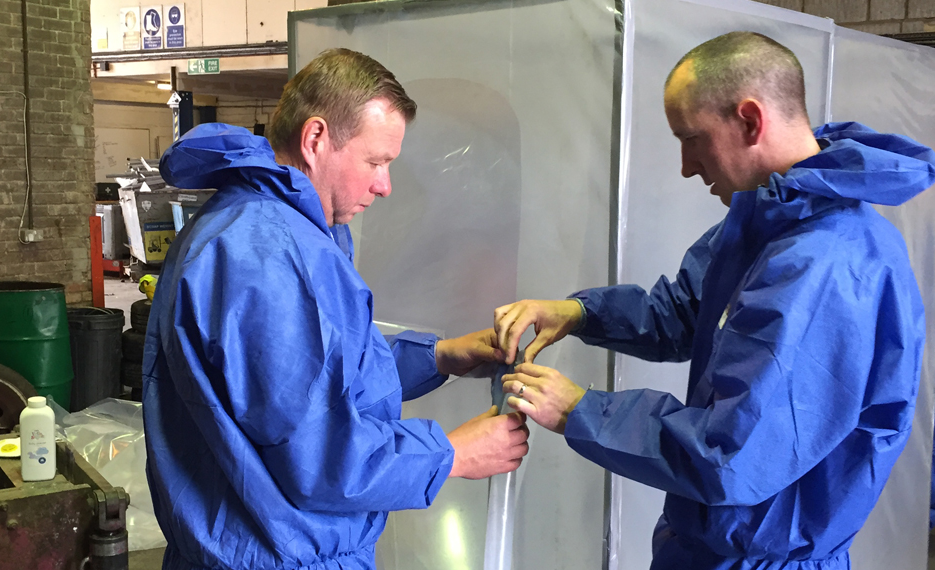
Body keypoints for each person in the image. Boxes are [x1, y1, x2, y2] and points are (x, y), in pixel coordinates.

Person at [494, 31, 935, 570]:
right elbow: (684, 312)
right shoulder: (773, 219)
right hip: (707, 547)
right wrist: (580, 313)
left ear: (749, 119)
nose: (685, 166)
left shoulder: (826, 266)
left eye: (692, 138)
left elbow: (732, 454)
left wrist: (581, 410)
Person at [142, 48, 529, 570]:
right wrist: (452, 455)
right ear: (316, 139)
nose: (384, 186)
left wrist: (437, 357)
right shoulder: (261, 253)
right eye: (376, 162)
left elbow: (312, 377)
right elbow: (318, 451)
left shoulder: (276, 226)